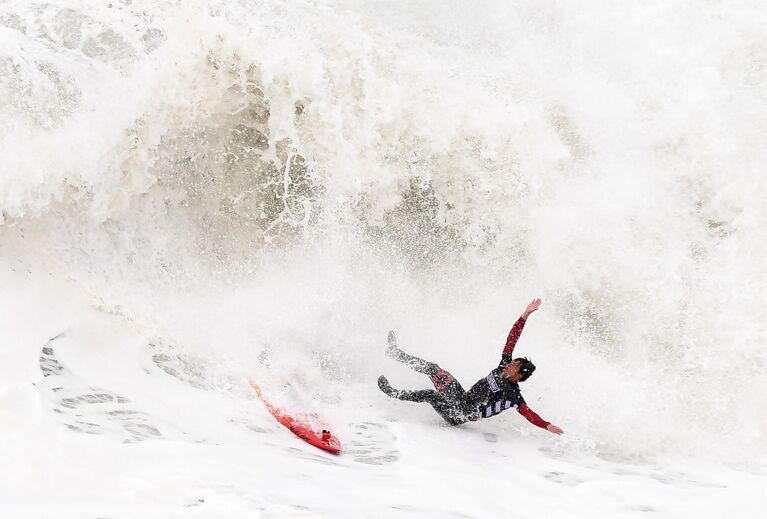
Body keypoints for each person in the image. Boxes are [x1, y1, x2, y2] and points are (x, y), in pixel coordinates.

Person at [378, 298, 564, 434]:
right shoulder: (502, 367)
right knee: (433, 368)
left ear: (519, 376)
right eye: (513, 362)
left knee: (431, 395)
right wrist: (524, 315)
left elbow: (529, 414)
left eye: (514, 365)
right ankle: (396, 353)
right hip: (461, 397)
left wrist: (547, 425)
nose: (510, 364)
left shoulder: (512, 395)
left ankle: (394, 393)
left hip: (459, 414)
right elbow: (511, 340)